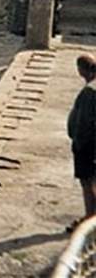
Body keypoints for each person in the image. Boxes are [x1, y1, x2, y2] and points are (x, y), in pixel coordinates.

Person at [67, 54, 96, 227]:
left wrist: (79, 144)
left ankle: (89, 218)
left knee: (87, 182)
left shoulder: (90, 92)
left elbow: (84, 123)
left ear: (81, 70)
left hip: (88, 146)